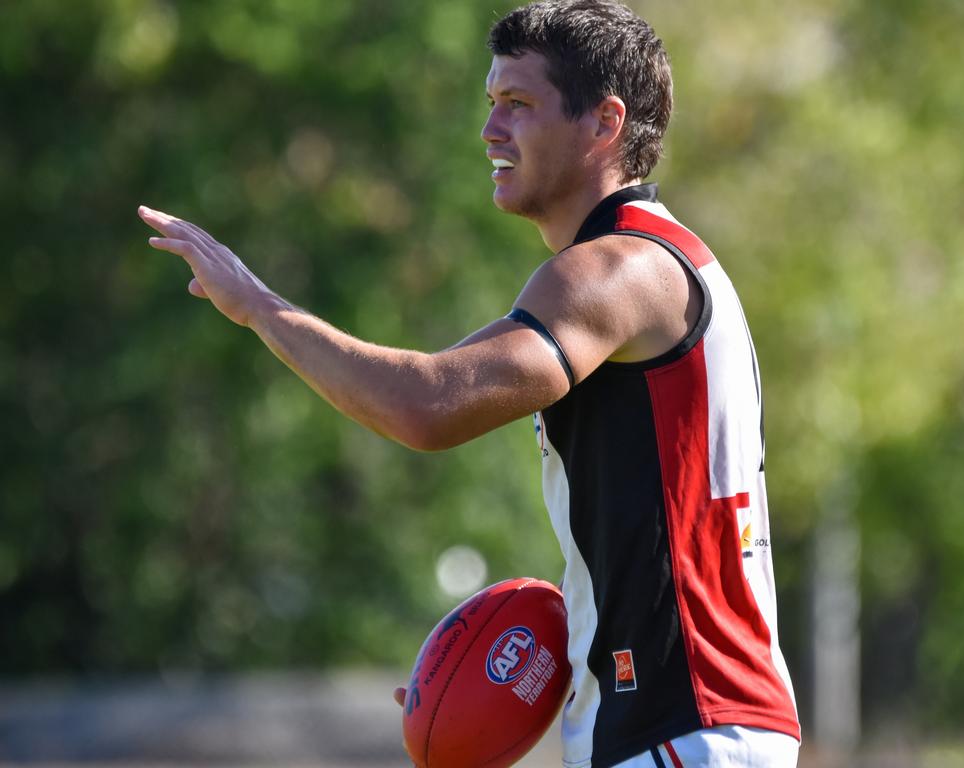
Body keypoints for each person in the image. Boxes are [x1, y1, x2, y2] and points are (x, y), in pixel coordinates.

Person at [138, 1, 801, 765]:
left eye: (518, 105)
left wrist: (260, 308)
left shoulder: (620, 270)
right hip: (692, 726)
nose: (491, 130)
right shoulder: (660, 260)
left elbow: (429, 405)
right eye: (492, 104)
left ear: (605, 124)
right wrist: (481, 678)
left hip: (686, 726)